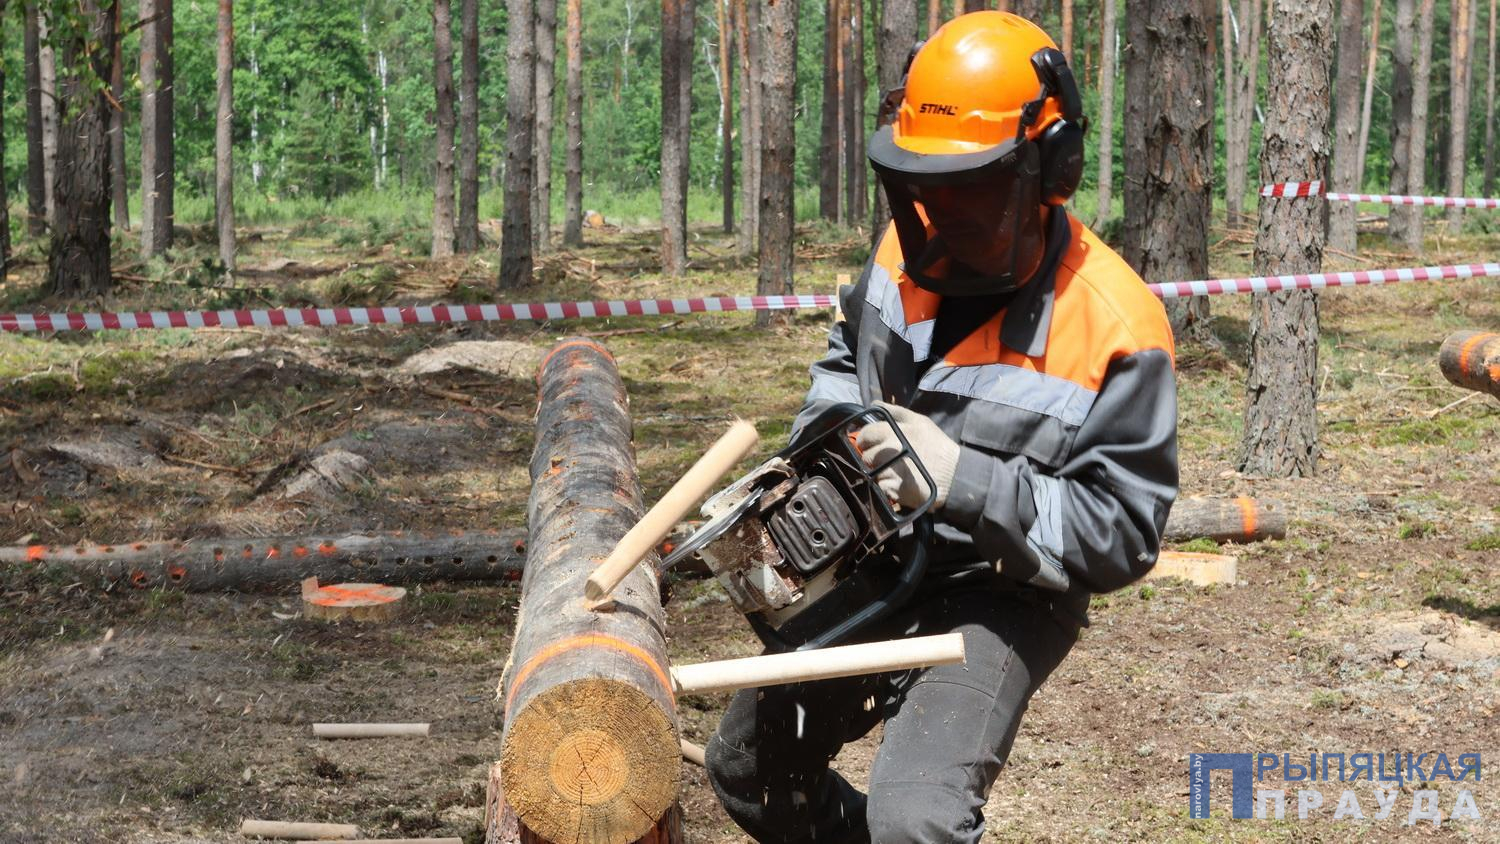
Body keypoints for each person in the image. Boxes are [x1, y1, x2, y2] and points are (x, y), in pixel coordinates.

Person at [703, 11, 1179, 843]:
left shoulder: (1116, 327)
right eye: (928, 185)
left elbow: (1124, 534)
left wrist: (964, 480)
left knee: (915, 821)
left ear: (1049, 168)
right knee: (751, 774)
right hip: (877, 557)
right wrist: (814, 460)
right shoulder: (903, 247)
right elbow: (844, 354)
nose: (944, 213)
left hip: (1003, 590)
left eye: (974, 189)